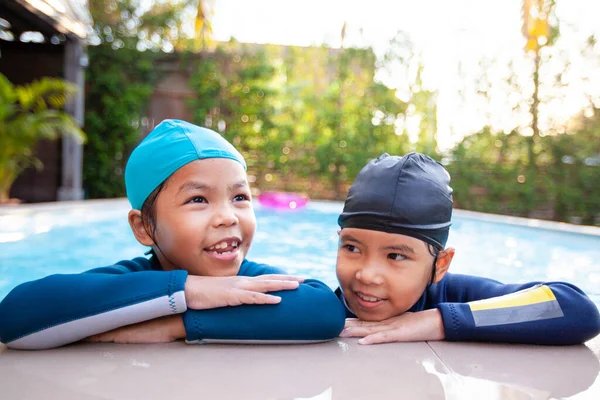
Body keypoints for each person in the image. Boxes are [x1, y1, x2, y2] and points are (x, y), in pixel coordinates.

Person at [0, 119, 345, 350]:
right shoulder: (134, 277)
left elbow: (323, 308)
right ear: (144, 227)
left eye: (239, 197)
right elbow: (16, 313)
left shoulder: (250, 279)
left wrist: (178, 323)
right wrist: (187, 289)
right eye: (198, 199)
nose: (227, 216)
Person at [336, 152, 600, 345]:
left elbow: (577, 309)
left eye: (396, 255)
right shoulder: (325, 307)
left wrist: (437, 321)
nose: (366, 275)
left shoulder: (456, 295)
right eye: (352, 248)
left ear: (440, 265)